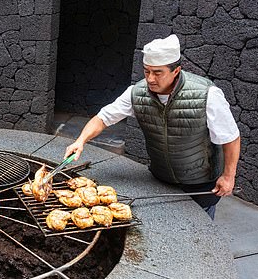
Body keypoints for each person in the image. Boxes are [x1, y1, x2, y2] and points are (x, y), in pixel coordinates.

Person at [64, 34, 241, 219]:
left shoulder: (207, 94)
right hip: (160, 178)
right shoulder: (136, 93)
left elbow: (230, 137)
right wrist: (80, 141)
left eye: (157, 73)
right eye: (146, 71)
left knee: (197, 230)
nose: (150, 78)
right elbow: (103, 118)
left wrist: (228, 176)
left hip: (200, 184)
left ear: (176, 71)